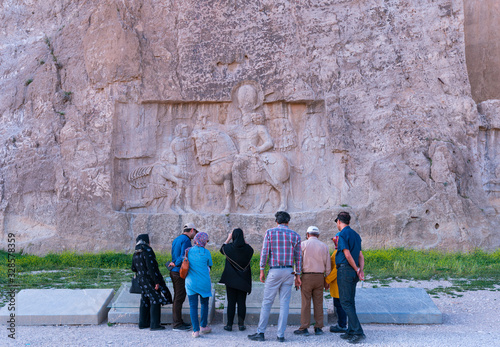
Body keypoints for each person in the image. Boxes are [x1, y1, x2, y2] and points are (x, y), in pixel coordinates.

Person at [248, 211, 302, 343]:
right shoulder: (295, 235)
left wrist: (261, 269)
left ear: (276, 221)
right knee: (285, 304)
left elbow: (265, 252)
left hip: (274, 271)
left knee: (267, 302)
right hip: (289, 271)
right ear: (288, 222)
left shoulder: (270, 232)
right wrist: (298, 275)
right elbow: (298, 257)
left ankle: (261, 333)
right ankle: (280, 335)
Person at [294, 226, 331, 336]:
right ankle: (318, 327)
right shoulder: (324, 246)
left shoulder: (303, 245)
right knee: (318, 302)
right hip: (320, 277)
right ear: (318, 235)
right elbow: (328, 265)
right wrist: (327, 279)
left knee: (306, 303)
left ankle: (304, 327)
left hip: (306, 277)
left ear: (307, 234)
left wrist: (297, 276)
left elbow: (298, 262)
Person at [335, 212, 365, 344]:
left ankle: (358, 332)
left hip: (345, 270)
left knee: (345, 302)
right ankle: (351, 330)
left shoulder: (342, 234)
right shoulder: (356, 235)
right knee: (350, 301)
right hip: (353, 272)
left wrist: (355, 268)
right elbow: (360, 255)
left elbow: (347, 254)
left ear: (339, 222)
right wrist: (360, 270)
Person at [131, 234, 172, 330]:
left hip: (141, 280)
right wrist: (157, 282)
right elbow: (152, 269)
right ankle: (154, 325)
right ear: (147, 241)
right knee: (156, 299)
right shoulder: (147, 251)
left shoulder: (135, 253)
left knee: (145, 300)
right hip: (150, 280)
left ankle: (143, 323)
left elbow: (133, 268)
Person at [219, 228, 254, 332]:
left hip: (231, 280)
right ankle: (241, 325)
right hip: (243, 280)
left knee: (231, 302)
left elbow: (222, 249)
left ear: (233, 236)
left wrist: (228, 238)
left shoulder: (229, 248)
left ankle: (229, 325)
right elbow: (251, 249)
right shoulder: (248, 249)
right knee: (242, 302)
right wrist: (244, 239)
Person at [167, 223, 198, 331]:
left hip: (174, 271)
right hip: (179, 271)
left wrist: (173, 262)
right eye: (195, 232)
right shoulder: (186, 240)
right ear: (192, 230)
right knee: (179, 297)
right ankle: (177, 324)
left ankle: (178, 321)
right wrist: (175, 263)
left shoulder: (177, 239)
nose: (195, 235)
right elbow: (184, 255)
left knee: (177, 297)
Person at [185, 232, 213, 338]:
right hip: (204, 282)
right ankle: (203, 326)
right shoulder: (207, 253)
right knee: (204, 304)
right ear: (204, 241)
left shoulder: (188, 251)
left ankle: (195, 331)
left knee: (193, 305)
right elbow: (209, 265)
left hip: (191, 282)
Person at [325, 232, 348, 334]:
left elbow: (336, 269)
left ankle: (342, 325)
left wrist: (327, 280)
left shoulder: (340, 252)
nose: (334, 242)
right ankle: (341, 324)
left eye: (335, 240)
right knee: (339, 304)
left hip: (338, 283)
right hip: (338, 283)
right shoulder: (339, 251)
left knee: (340, 305)